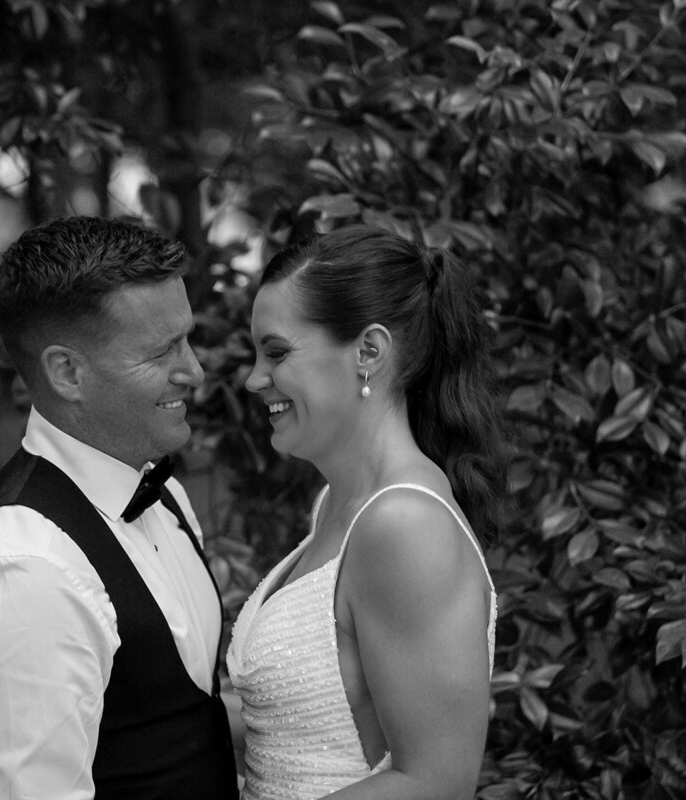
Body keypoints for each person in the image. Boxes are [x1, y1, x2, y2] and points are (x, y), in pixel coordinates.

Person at [0, 216, 238, 799]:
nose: (194, 371)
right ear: (67, 372)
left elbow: (177, 726)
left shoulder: (158, 489)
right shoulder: (24, 572)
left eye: (188, 339)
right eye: (161, 351)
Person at [226, 225, 504, 799]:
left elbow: (436, 784)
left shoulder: (404, 524)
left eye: (276, 352)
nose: (255, 379)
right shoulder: (338, 503)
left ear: (369, 352)